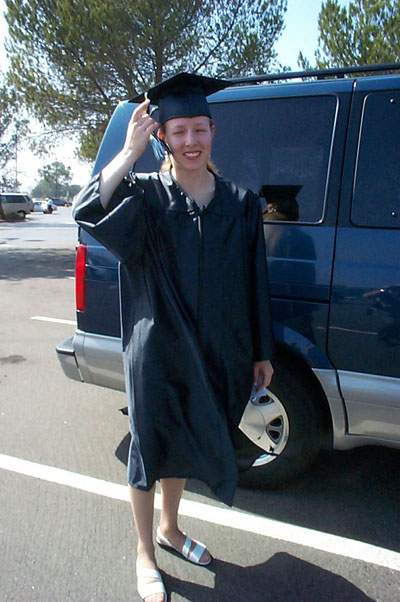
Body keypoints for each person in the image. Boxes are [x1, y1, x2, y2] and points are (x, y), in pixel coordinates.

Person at [73, 72, 274, 602]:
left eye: (199, 129)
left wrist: (262, 351)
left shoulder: (240, 203)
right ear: (163, 136)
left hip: (215, 349)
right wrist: (127, 150)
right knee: (150, 447)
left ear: (213, 131)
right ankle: (145, 551)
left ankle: (171, 529)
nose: (190, 141)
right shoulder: (144, 197)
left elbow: (256, 280)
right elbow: (86, 209)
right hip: (156, 350)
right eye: (178, 130)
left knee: (183, 441)